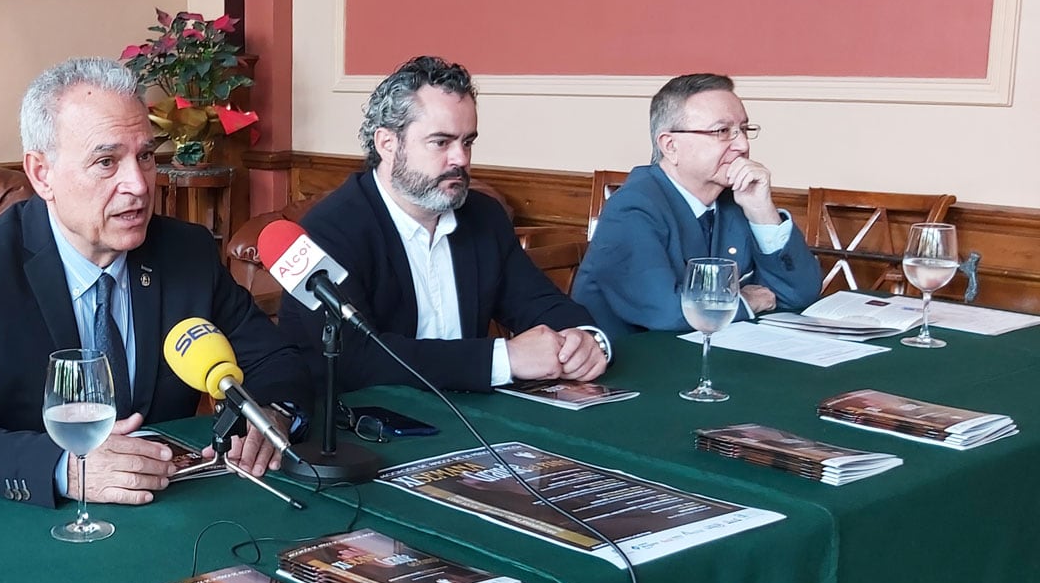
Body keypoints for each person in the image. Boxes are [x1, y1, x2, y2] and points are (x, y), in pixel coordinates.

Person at [0, 57, 311, 506]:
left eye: (145, 156)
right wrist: (62, 468)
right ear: (42, 173)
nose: (139, 186)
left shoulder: (187, 253)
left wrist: (272, 415)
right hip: (33, 527)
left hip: (173, 510)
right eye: (106, 162)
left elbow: (276, 361)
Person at [279, 55, 610, 393]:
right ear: (387, 144)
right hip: (367, 425)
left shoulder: (483, 216)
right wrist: (504, 358)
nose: (461, 159)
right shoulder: (325, 230)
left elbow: (540, 303)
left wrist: (584, 339)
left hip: (473, 418)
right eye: (441, 142)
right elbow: (355, 360)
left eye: (467, 142)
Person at [572, 73, 822, 337]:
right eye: (722, 131)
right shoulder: (633, 207)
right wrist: (747, 301)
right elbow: (666, 312)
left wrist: (762, 211)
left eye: (744, 130)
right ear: (670, 146)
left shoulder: (735, 200)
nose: (743, 145)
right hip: (628, 368)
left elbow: (799, 294)